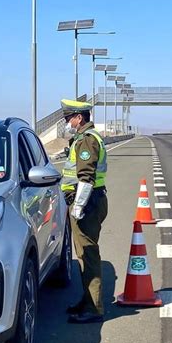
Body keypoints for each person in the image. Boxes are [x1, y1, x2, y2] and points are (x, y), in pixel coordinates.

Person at [60, 99, 108, 324]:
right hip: (92, 201)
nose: (67, 122)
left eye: (68, 118)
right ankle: (87, 300)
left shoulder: (87, 141)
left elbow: (86, 179)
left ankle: (94, 308)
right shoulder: (83, 138)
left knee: (88, 253)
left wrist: (77, 207)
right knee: (83, 254)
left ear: (79, 118)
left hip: (87, 204)